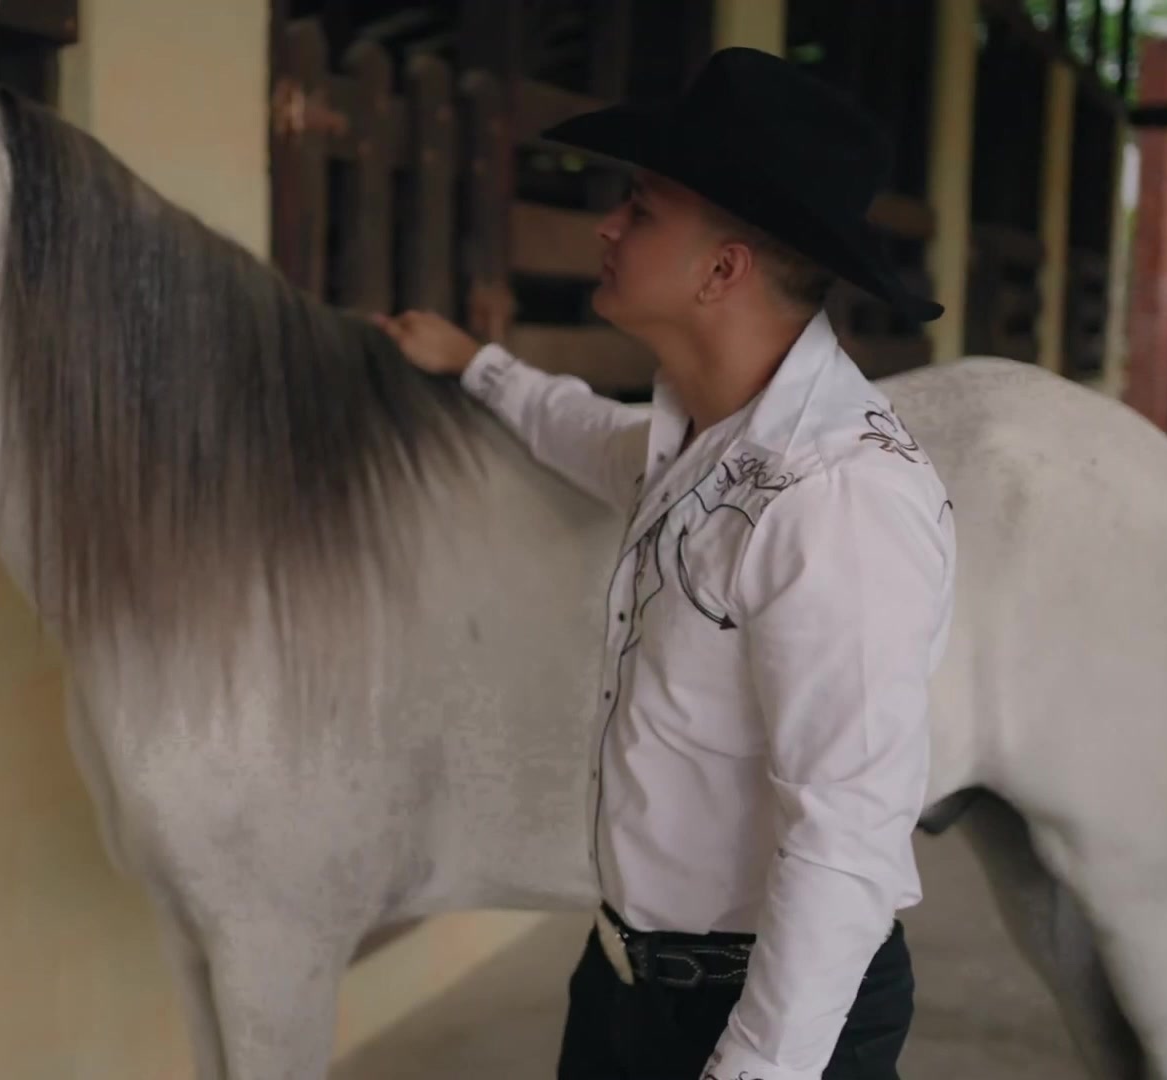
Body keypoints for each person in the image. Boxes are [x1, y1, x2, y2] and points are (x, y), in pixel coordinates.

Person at [376, 47, 958, 1080]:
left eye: (640, 210)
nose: (608, 227)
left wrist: (755, 1069)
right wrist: (479, 365)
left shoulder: (840, 498)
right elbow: (592, 435)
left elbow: (849, 840)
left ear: (721, 271)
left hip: (767, 1018)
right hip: (624, 978)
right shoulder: (704, 434)